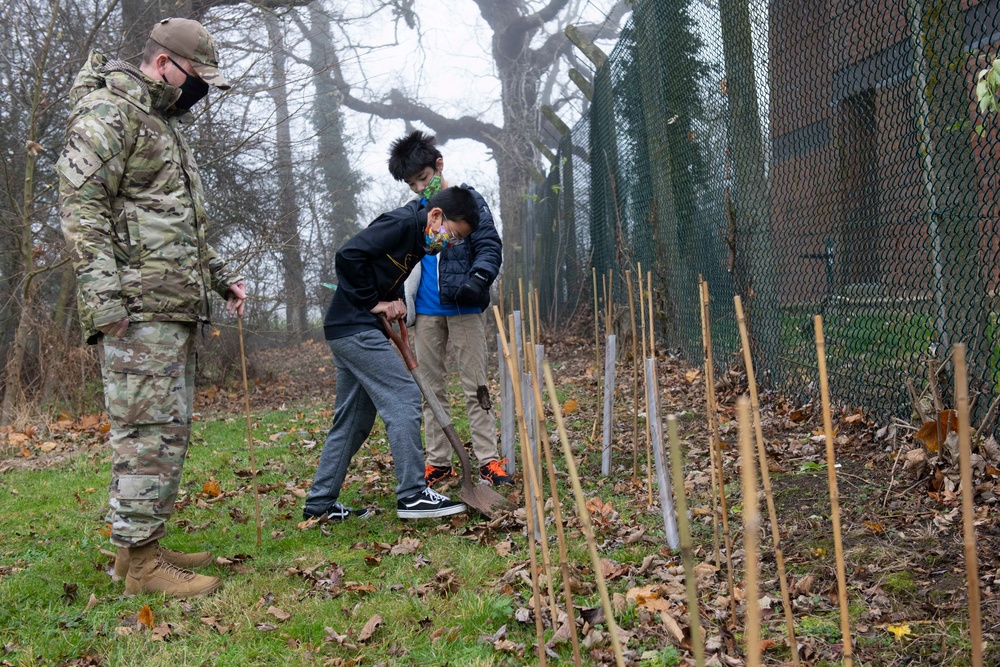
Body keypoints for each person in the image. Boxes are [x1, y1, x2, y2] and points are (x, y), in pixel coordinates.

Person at [58, 18, 246, 598]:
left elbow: (176, 222)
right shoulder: (107, 114)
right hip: (137, 310)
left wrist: (219, 278)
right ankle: (142, 570)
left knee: (164, 432)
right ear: (164, 63)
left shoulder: (156, 122)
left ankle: (135, 551)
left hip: (169, 303)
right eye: (196, 78)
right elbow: (80, 208)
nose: (201, 92)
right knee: (147, 435)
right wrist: (107, 300)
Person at [304, 186, 481, 522]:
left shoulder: (417, 240)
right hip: (354, 327)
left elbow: (382, 268)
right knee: (403, 396)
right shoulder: (401, 223)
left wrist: (395, 299)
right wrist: (373, 303)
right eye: (453, 235)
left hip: (352, 328)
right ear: (436, 216)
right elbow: (348, 254)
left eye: (457, 241)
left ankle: (319, 505)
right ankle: (413, 495)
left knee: (354, 421)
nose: (451, 243)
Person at [389, 131, 512, 488]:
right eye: (412, 184)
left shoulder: (469, 200)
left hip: (465, 308)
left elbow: (489, 244)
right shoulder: (414, 212)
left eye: (423, 179)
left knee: (476, 386)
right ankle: (438, 461)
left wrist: (478, 279)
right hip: (424, 313)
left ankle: (489, 459)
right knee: (429, 388)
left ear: (439, 165)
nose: (419, 188)